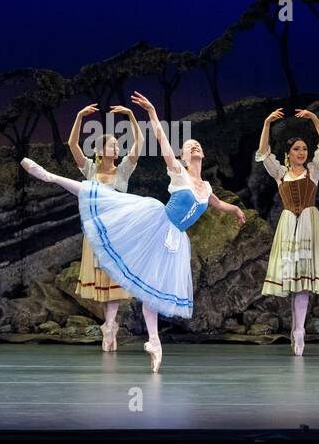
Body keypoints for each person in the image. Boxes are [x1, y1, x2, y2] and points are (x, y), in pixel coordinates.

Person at [20, 91, 245, 372]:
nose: (195, 146)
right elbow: (161, 139)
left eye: (198, 144)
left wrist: (234, 210)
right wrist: (150, 112)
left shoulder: (207, 186)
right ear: (182, 155)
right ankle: (50, 177)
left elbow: (217, 203)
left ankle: (152, 340)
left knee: (153, 289)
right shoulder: (177, 171)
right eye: (190, 145)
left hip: (174, 238)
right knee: (93, 191)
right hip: (153, 222)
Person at [255, 108, 319, 356]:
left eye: (304, 149)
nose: (301, 153)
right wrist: (267, 123)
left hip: (310, 226)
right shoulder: (281, 174)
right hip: (289, 225)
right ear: (288, 154)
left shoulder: (314, 170)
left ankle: (299, 330)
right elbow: (263, 153)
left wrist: (315, 118)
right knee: (292, 281)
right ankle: (295, 328)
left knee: (303, 284)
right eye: (296, 149)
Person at [65, 102, 143, 352]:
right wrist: (78, 116)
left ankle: (109, 325)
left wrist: (131, 115)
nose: (116, 149)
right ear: (101, 149)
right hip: (96, 231)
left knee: (115, 281)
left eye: (118, 146)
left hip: (117, 231)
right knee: (103, 279)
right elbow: (72, 145)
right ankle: (109, 325)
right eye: (112, 145)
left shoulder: (123, 172)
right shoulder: (90, 169)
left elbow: (138, 145)